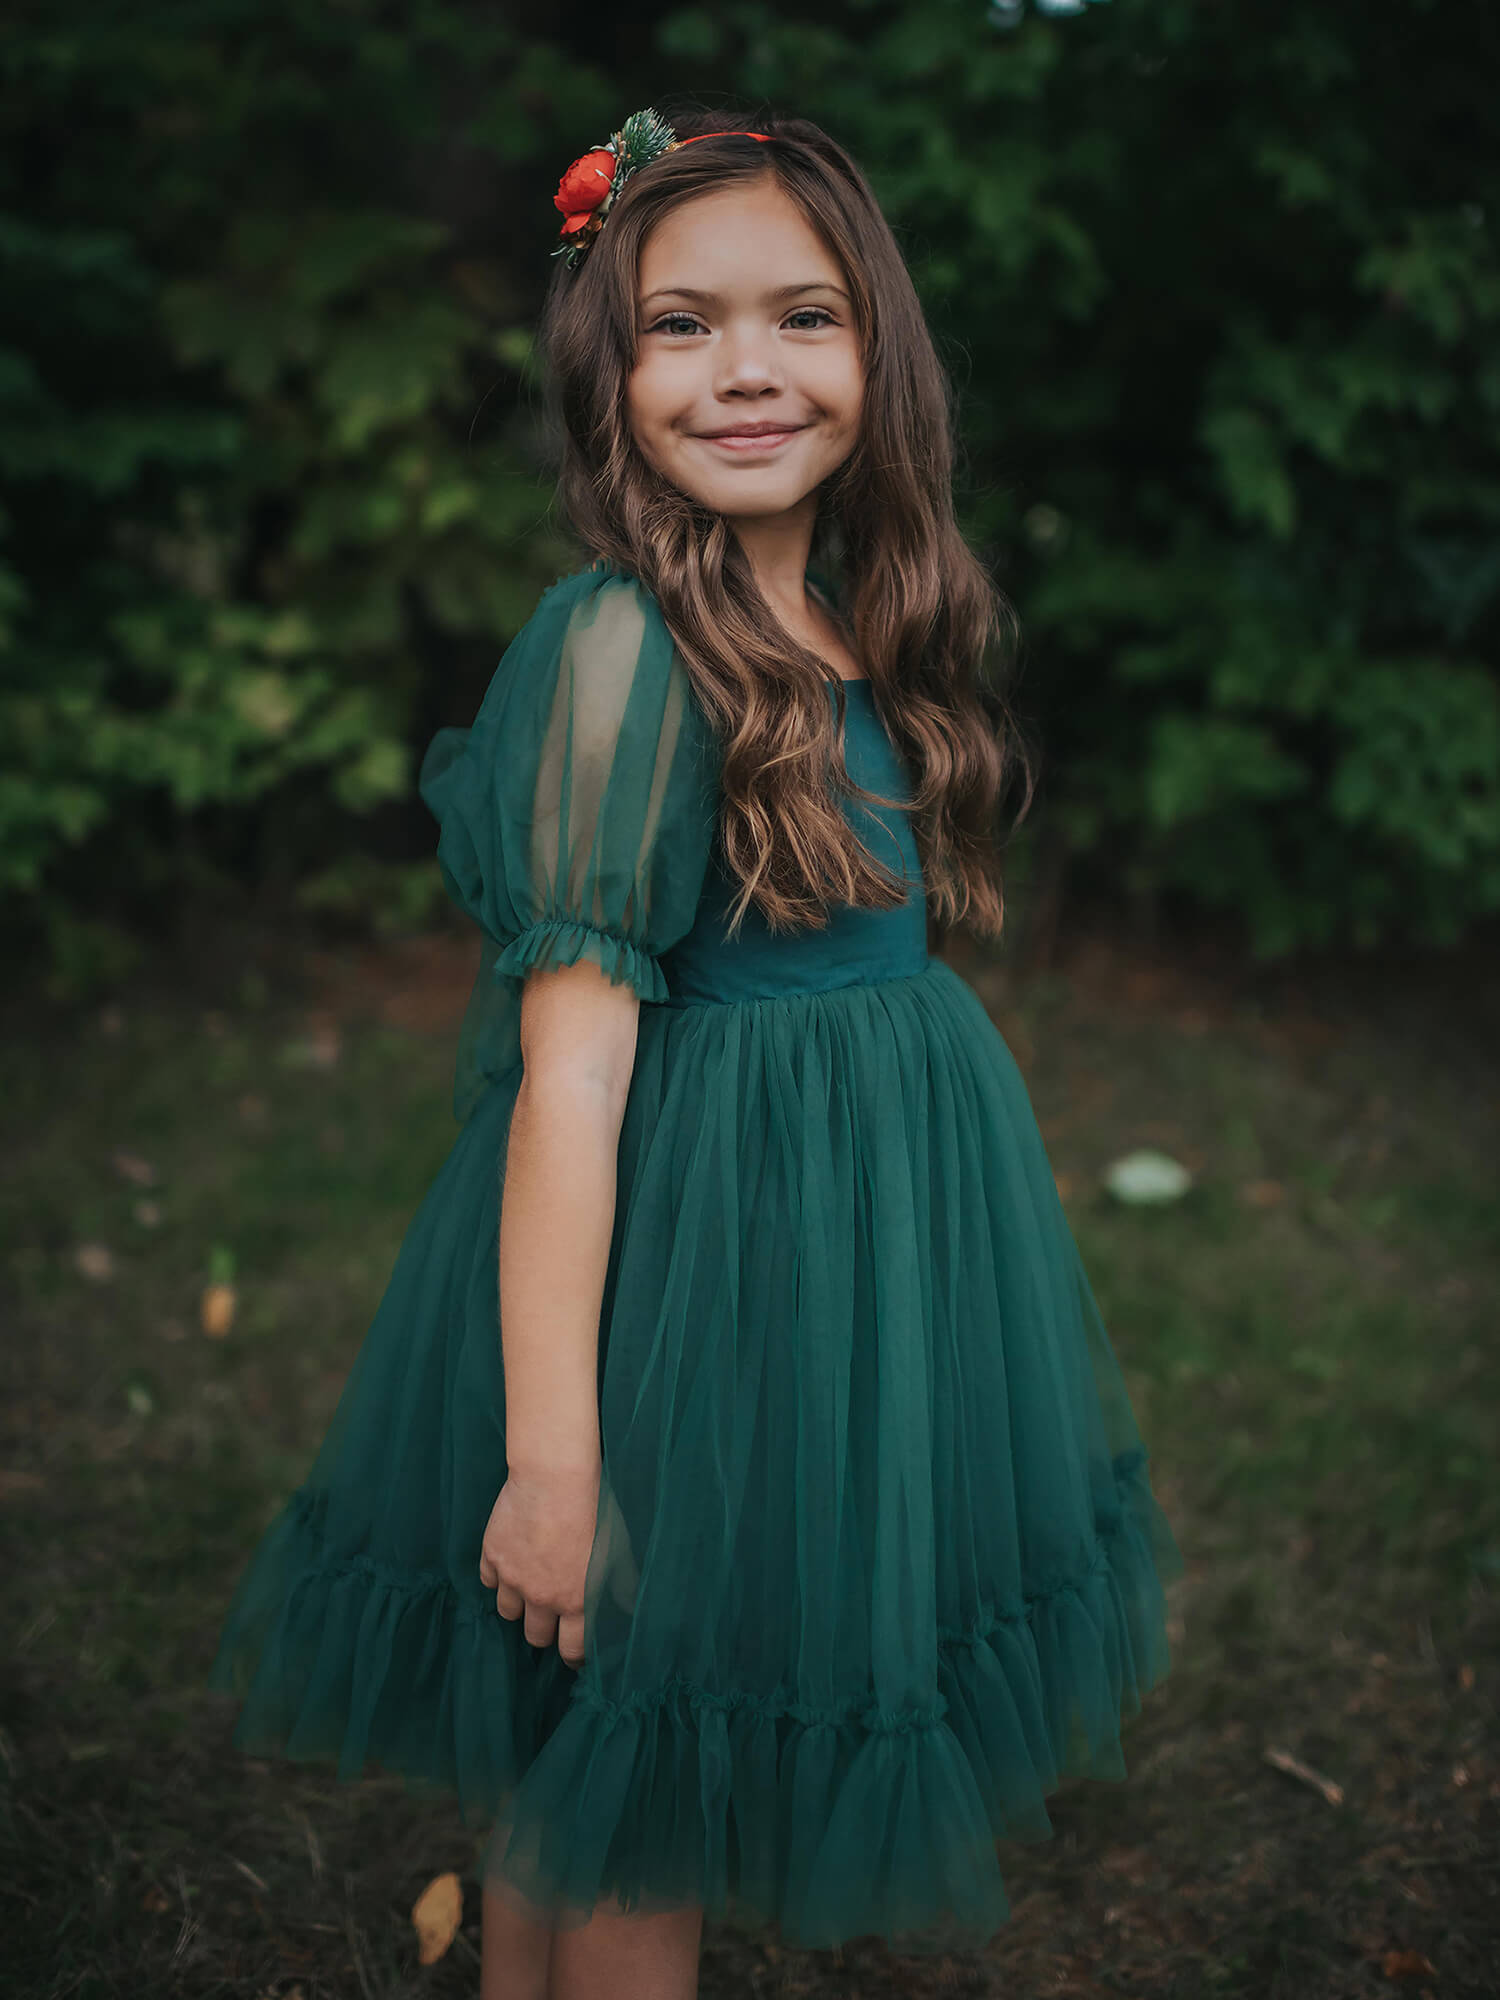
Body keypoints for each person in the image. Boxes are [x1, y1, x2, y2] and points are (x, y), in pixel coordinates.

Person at [209, 103, 1186, 2000]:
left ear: (876, 353)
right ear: (610, 367)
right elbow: (565, 1079)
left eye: (801, 316)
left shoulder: (850, 618)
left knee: (630, 1746)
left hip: (848, 1254)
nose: (747, 368)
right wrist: (553, 1464)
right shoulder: (619, 651)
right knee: (648, 1756)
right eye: (683, 323)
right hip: (689, 1275)